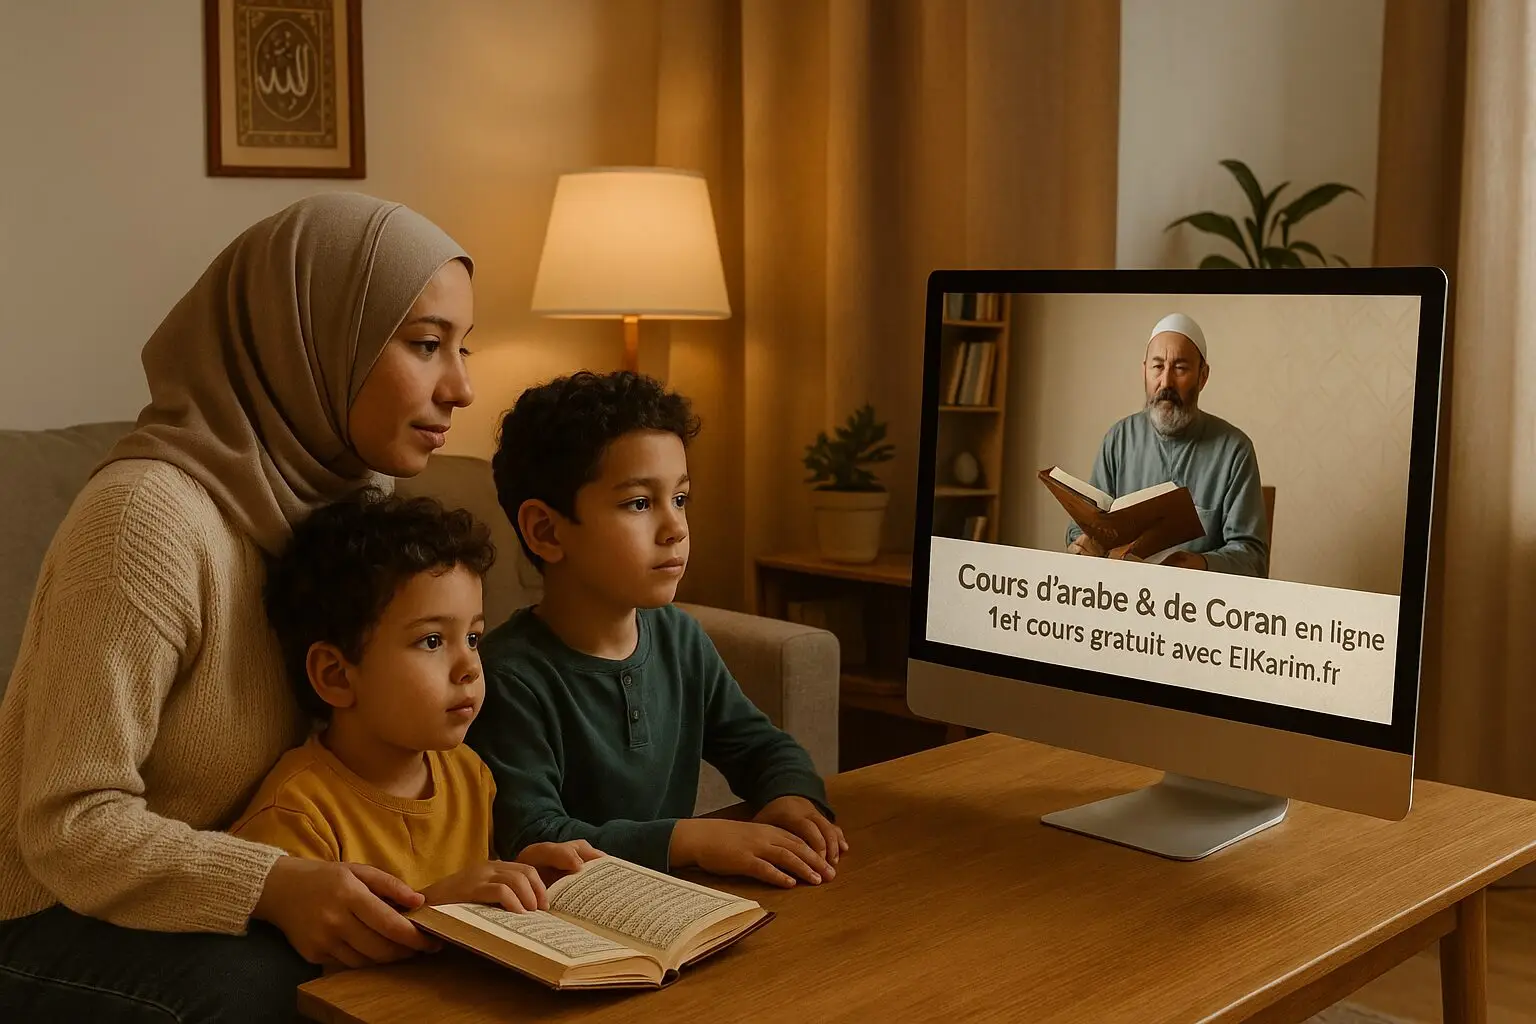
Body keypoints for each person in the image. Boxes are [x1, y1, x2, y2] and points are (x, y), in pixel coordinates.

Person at [0, 193, 477, 1020]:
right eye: (427, 344)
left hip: (247, 882)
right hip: (46, 911)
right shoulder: (146, 519)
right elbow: (70, 824)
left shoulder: (358, 502)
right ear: (311, 338)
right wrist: (275, 884)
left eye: (465, 347)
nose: (462, 387)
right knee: (276, 990)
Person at [466, 371, 849, 891]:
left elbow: (761, 746)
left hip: (676, 903)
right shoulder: (506, 678)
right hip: (569, 920)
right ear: (546, 531)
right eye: (640, 503)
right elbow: (537, 837)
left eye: (681, 499)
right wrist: (691, 840)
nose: (676, 528)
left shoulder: (679, 639)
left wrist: (791, 796)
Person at [230, 487, 602, 934]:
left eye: (473, 638)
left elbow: (479, 896)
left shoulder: (469, 774)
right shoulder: (297, 814)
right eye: (432, 641)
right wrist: (439, 908)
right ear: (337, 676)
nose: (470, 667)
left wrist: (527, 877)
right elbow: (310, 966)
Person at [1066, 312, 1269, 577]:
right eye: (1158, 367)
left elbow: (1252, 557)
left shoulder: (1235, 451)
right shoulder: (1118, 439)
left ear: (1203, 376)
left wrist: (1199, 564)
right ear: (1144, 371)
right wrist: (1085, 544)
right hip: (1122, 591)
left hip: (1200, 597)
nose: (1166, 382)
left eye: (1180, 368)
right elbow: (1082, 524)